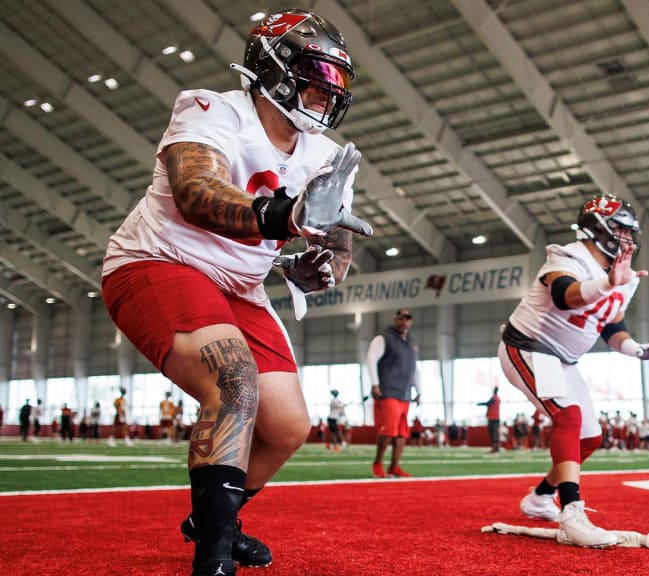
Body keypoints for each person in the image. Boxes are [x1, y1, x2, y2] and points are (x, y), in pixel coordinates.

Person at [99, 9, 371, 575]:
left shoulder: (322, 155)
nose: (327, 91)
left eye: (336, 81)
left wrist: (323, 264)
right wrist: (289, 214)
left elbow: (340, 234)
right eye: (316, 73)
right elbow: (196, 192)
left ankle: (212, 516)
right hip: (162, 260)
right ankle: (216, 552)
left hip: (241, 288)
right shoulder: (215, 109)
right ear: (272, 67)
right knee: (234, 381)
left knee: (288, 426)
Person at [498, 194, 649, 547]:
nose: (628, 238)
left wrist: (635, 349)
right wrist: (609, 282)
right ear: (598, 227)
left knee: (590, 438)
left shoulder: (623, 276)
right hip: (529, 346)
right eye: (622, 229)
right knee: (568, 418)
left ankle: (540, 497)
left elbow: (610, 325)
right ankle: (572, 513)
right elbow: (566, 295)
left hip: (564, 359)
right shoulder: (567, 255)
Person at [366, 308, 420, 478]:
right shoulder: (383, 338)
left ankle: (394, 467)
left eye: (407, 318)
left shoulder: (411, 344)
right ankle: (377, 463)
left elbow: (415, 368)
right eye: (401, 318)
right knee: (389, 427)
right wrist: (375, 384)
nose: (404, 321)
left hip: (405, 393)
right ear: (395, 319)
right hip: (388, 390)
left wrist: (419, 390)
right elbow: (371, 359)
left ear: (410, 322)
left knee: (403, 431)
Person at [478, 386, 501, 452]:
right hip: (496, 417)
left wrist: (479, 404)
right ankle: (496, 448)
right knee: (495, 433)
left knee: (493, 433)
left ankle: (495, 448)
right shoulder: (498, 398)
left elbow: (488, 403)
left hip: (492, 418)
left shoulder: (494, 398)